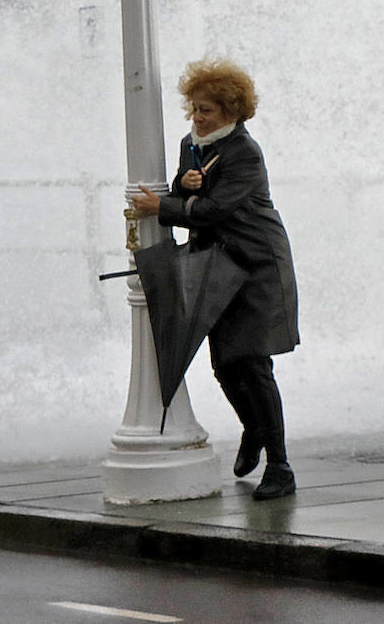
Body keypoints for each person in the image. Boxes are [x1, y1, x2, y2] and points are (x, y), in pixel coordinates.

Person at [130, 58, 300, 500]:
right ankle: (253, 430)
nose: (198, 118)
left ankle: (280, 468)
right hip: (217, 264)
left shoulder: (245, 151)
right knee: (224, 364)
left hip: (257, 265)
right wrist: (182, 185)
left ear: (230, 111)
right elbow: (190, 196)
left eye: (206, 110)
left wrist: (164, 207)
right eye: (195, 109)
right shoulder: (193, 144)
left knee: (253, 363)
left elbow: (215, 210)